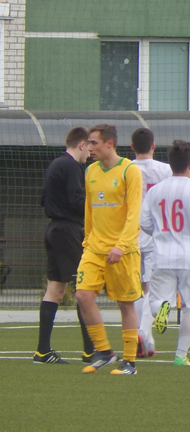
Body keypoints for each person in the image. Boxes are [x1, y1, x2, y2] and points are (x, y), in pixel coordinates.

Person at [140, 140, 190, 366]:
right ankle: (180, 356)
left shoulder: (155, 191)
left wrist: (159, 232)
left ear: (170, 164)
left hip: (161, 256)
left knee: (155, 301)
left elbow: (144, 222)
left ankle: (162, 309)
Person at [76, 124, 143, 376]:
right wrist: (87, 240)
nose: (89, 148)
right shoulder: (90, 171)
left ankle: (130, 362)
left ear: (109, 143)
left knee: (125, 304)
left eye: (93, 143)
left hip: (122, 251)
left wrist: (121, 245)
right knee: (82, 295)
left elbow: (134, 213)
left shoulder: (129, 170)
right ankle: (104, 351)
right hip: (95, 248)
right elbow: (90, 209)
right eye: (87, 143)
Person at [34, 127, 94, 365]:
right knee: (84, 288)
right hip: (68, 231)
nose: (89, 154)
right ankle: (91, 351)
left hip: (54, 229)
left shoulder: (55, 163)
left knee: (55, 290)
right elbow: (76, 200)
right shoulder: (72, 166)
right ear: (81, 145)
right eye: (89, 148)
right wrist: (98, 210)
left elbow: (43, 199)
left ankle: (42, 351)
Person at [130, 127, 173, 358]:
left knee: (136, 289)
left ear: (132, 147)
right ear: (154, 146)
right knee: (151, 288)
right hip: (157, 235)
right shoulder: (166, 170)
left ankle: (145, 337)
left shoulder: (126, 168)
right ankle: (144, 333)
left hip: (131, 234)